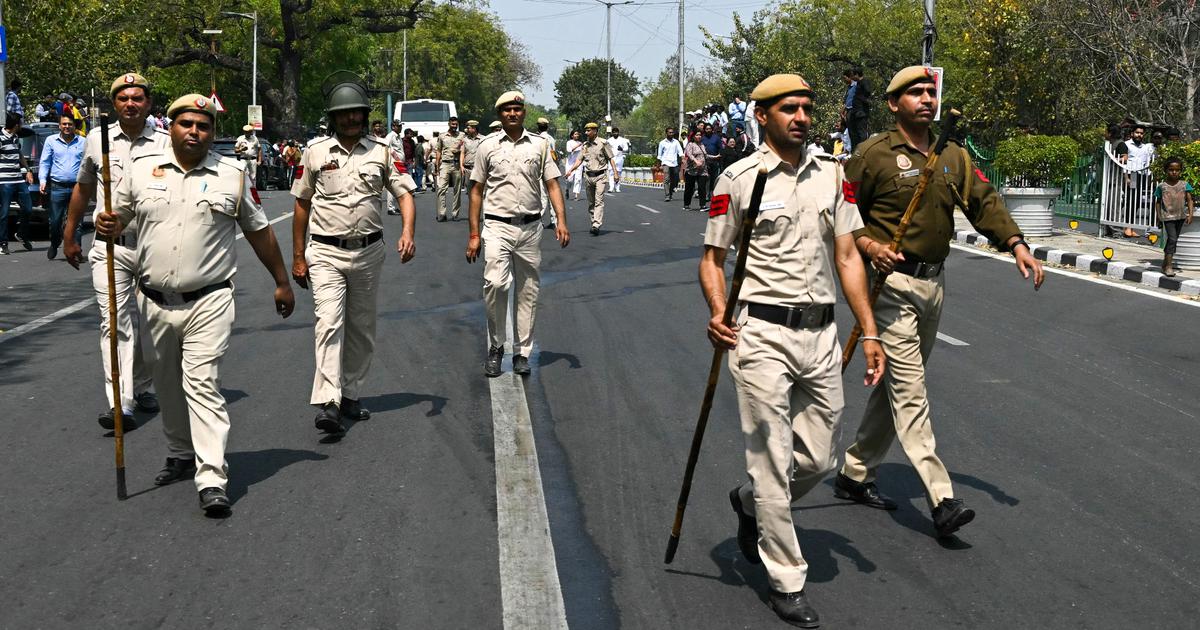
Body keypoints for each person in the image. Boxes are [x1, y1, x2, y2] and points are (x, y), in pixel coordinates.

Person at [702, 73, 885, 629]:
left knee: (820, 458)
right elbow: (713, 259)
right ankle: (786, 578)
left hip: (821, 334)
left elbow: (849, 257)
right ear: (763, 116)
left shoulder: (833, 175)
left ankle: (749, 502)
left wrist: (869, 329)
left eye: (807, 108)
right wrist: (717, 313)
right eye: (789, 109)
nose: (801, 117)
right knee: (772, 460)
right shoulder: (738, 178)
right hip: (760, 334)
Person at [836, 65, 1044, 540]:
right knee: (910, 392)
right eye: (915, 93)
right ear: (894, 104)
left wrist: (1016, 244)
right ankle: (941, 498)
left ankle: (854, 471)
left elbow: (983, 202)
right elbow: (842, 218)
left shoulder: (952, 154)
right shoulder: (872, 155)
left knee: (897, 388)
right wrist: (870, 247)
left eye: (931, 91)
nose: (927, 99)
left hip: (934, 284)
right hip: (890, 288)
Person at [95, 93, 294, 515]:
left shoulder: (233, 174)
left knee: (201, 383)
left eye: (203, 126)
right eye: (187, 124)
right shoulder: (139, 172)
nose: (195, 132)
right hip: (155, 300)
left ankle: (212, 476)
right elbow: (120, 221)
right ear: (173, 127)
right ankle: (181, 452)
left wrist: (282, 281)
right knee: (167, 386)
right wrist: (106, 223)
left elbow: (260, 232)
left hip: (212, 298)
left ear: (212, 133)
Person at [290, 74, 417, 436]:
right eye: (343, 114)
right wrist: (298, 257)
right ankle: (329, 400)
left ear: (364, 115)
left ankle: (351, 394)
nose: (350, 120)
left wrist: (408, 231)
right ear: (333, 117)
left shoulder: (382, 152)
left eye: (356, 113)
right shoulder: (314, 153)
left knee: (361, 328)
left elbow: (405, 194)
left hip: (368, 252)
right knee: (328, 322)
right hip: (326, 252)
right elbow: (301, 205)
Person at [63, 73, 168, 428]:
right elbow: (83, 186)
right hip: (111, 249)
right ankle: (120, 403)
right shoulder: (97, 139)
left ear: (148, 103)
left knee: (152, 326)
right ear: (114, 104)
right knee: (116, 323)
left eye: (138, 98)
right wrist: (70, 233)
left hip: (155, 247)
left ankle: (141, 384)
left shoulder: (168, 143)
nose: (131, 104)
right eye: (123, 99)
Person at [464, 91, 569, 377]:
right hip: (497, 226)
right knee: (496, 284)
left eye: (517, 109)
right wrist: (474, 234)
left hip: (531, 227)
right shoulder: (487, 147)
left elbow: (553, 184)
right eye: (507, 110)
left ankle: (522, 352)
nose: (512, 113)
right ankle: (497, 346)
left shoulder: (539, 145)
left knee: (528, 290)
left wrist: (561, 219)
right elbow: (476, 191)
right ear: (500, 115)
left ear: (524, 113)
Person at [38, 114, 86, 259]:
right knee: (55, 221)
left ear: (74, 126)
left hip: (77, 188)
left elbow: (88, 163)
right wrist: (42, 180)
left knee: (77, 222)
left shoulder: (83, 142)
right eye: (64, 124)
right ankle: (54, 243)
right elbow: (45, 162)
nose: (66, 127)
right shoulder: (51, 141)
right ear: (60, 126)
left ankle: (76, 249)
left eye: (69, 124)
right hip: (57, 186)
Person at [563, 122, 617, 235]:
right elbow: (579, 160)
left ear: (595, 131)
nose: (586, 133)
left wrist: (616, 173)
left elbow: (611, 158)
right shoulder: (585, 145)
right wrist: (570, 171)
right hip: (588, 176)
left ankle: (597, 224)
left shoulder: (603, 143)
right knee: (591, 202)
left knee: (599, 200)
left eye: (589, 130)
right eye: (586, 130)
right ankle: (593, 222)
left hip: (601, 176)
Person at [1154, 156, 1194, 277]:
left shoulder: (1184, 185)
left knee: (1173, 240)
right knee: (1172, 239)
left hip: (1180, 216)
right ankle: (1169, 267)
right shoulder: (1162, 186)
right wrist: (1159, 216)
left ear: (1180, 170)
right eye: (1171, 169)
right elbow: (1158, 202)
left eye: (1177, 170)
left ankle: (1165, 263)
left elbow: (1189, 199)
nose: (1174, 172)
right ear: (1166, 170)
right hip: (1168, 217)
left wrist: (1190, 214)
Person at [0, 112, 34, 255]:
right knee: (4, 212)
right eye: (20, 123)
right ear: (15, 125)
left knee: (28, 208)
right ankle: (3, 243)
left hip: (18, 178)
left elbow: (19, 154)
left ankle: (21, 234)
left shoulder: (15, 137)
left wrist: (28, 170)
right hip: (4, 180)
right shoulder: (0, 138)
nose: (21, 126)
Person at [435, 116, 465, 221]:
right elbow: (438, 151)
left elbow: (463, 150)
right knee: (441, 189)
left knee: (457, 190)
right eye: (452, 124)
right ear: (449, 124)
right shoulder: (442, 136)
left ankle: (455, 214)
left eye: (456, 124)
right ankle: (442, 213)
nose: (454, 126)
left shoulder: (461, 136)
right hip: (445, 164)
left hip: (456, 165)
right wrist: (437, 166)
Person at [534, 117, 558, 229]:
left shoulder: (535, 139)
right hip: (551, 170)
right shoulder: (551, 139)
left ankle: (539, 220)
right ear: (547, 127)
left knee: (542, 197)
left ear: (538, 126)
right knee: (552, 196)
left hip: (540, 170)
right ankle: (554, 220)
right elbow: (554, 155)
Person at [842, 66, 872, 150]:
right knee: (854, 133)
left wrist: (860, 99)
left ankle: (864, 150)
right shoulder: (858, 83)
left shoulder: (864, 81)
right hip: (856, 112)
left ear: (856, 75)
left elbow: (868, 93)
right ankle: (856, 151)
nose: (852, 77)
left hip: (861, 112)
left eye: (853, 75)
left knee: (862, 133)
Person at [655, 126, 684, 202]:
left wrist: (682, 157)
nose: (671, 134)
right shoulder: (662, 143)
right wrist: (658, 165)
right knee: (666, 179)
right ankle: (667, 195)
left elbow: (680, 151)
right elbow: (659, 155)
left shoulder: (676, 142)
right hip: (666, 162)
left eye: (672, 132)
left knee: (675, 179)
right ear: (666, 133)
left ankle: (671, 192)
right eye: (670, 132)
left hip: (674, 163)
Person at [682, 130, 708, 211]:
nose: (699, 136)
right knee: (689, 188)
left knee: (702, 187)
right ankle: (686, 205)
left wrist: (715, 156)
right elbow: (689, 154)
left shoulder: (702, 145)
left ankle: (703, 205)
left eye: (700, 135)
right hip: (691, 170)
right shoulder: (690, 144)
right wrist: (696, 161)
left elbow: (705, 155)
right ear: (693, 136)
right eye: (697, 135)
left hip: (702, 170)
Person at [460, 120, 482, 197]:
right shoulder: (464, 140)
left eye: (468, 128)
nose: (467, 129)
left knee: (479, 192)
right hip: (467, 169)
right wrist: (461, 166)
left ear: (474, 128)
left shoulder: (483, 139)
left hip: (478, 169)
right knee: (470, 193)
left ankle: (480, 208)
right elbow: (462, 153)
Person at [701, 122, 724, 197]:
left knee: (714, 178)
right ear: (704, 130)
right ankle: (707, 195)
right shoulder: (702, 138)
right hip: (705, 161)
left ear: (712, 129)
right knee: (707, 178)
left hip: (715, 161)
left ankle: (714, 193)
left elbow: (720, 148)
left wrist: (720, 157)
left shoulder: (716, 138)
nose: (708, 130)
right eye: (707, 129)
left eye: (710, 129)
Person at [606, 127, 631, 193]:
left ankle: (617, 187)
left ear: (618, 133)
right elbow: (606, 149)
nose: (615, 133)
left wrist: (622, 149)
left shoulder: (622, 140)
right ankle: (611, 187)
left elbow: (626, 148)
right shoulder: (609, 140)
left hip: (619, 158)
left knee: (618, 173)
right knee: (611, 172)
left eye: (616, 132)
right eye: (614, 132)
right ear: (612, 133)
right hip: (612, 158)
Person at [564, 130, 583, 201]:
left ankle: (576, 195)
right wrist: (577, 146)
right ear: (572, 135)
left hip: (579, 163)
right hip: (570, 163)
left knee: (578, 179)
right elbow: (569, 150)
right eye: (575, 134)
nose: (577, 135)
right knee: (569, 180)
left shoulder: (580, 143)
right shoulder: (569, 142)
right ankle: (567, 189)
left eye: (578, 134)